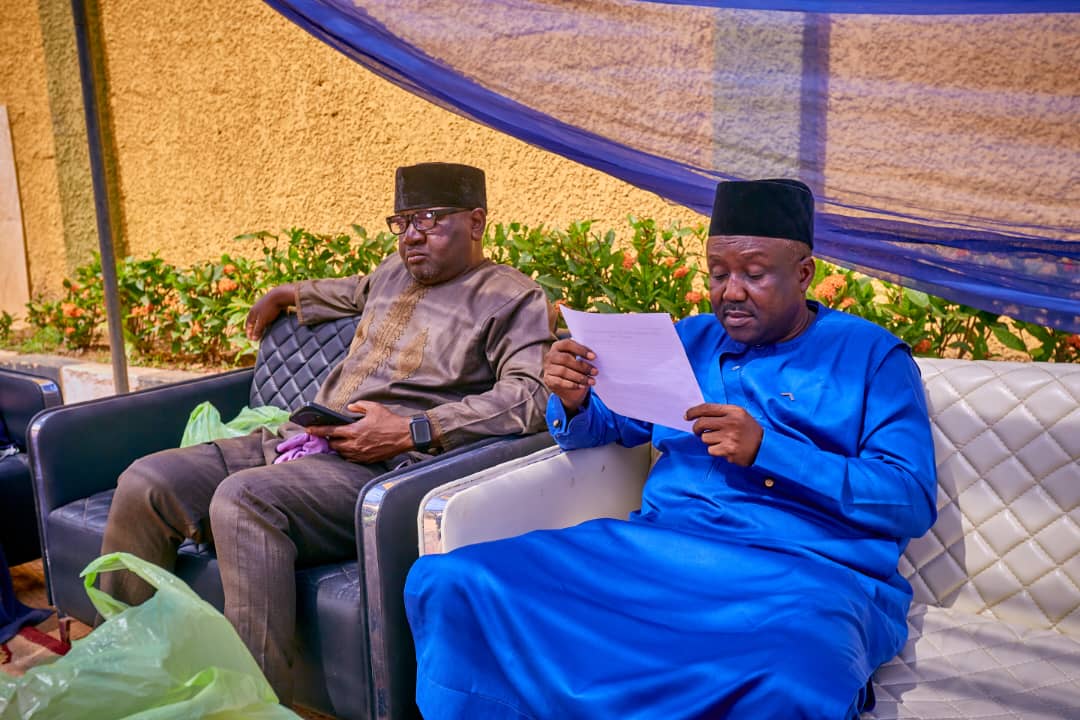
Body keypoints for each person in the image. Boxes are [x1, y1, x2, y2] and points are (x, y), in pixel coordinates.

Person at [404, 179, 938, 719]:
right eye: (719, 274)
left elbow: (909, 499)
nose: (731, 292)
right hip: (654, 553)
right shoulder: (691, 340)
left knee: (792, 676)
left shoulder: (872, 357)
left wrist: (767, 450)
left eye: (754, 274)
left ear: (804, 274)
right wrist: (573, 397)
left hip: (797, 576)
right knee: (454, 581)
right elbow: (607, 426)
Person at [99, 162, 553, 703]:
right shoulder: (394, 272)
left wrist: (412, 429)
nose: (413, 234)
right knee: (146, 482)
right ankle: (122, 667)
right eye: (403, 221)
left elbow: (531, 395)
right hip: (303, 438)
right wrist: (286, 293)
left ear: (476, 222)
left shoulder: (513, 298)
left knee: (243, 499)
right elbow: (352, 292)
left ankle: (251, 706)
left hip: (385, 468)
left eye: (431, 218)